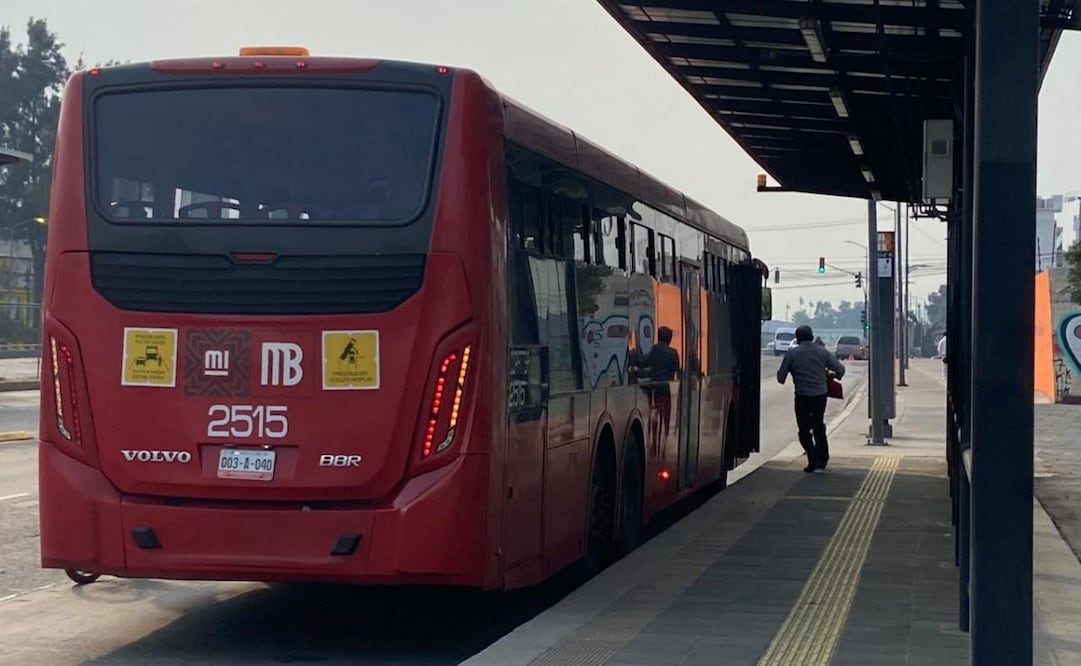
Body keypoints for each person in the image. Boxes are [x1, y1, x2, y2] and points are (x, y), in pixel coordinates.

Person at [777, 325, 846, 472]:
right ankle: (823, 457)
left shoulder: (792, 354)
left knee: (804, 430)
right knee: (818, 426)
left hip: (802, 396)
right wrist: (833, 375)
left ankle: (812, 458)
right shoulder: (822, 352)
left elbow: (781, 378)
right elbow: (840, 369)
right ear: (812, 337)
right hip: (820, 395)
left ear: (797, 339)